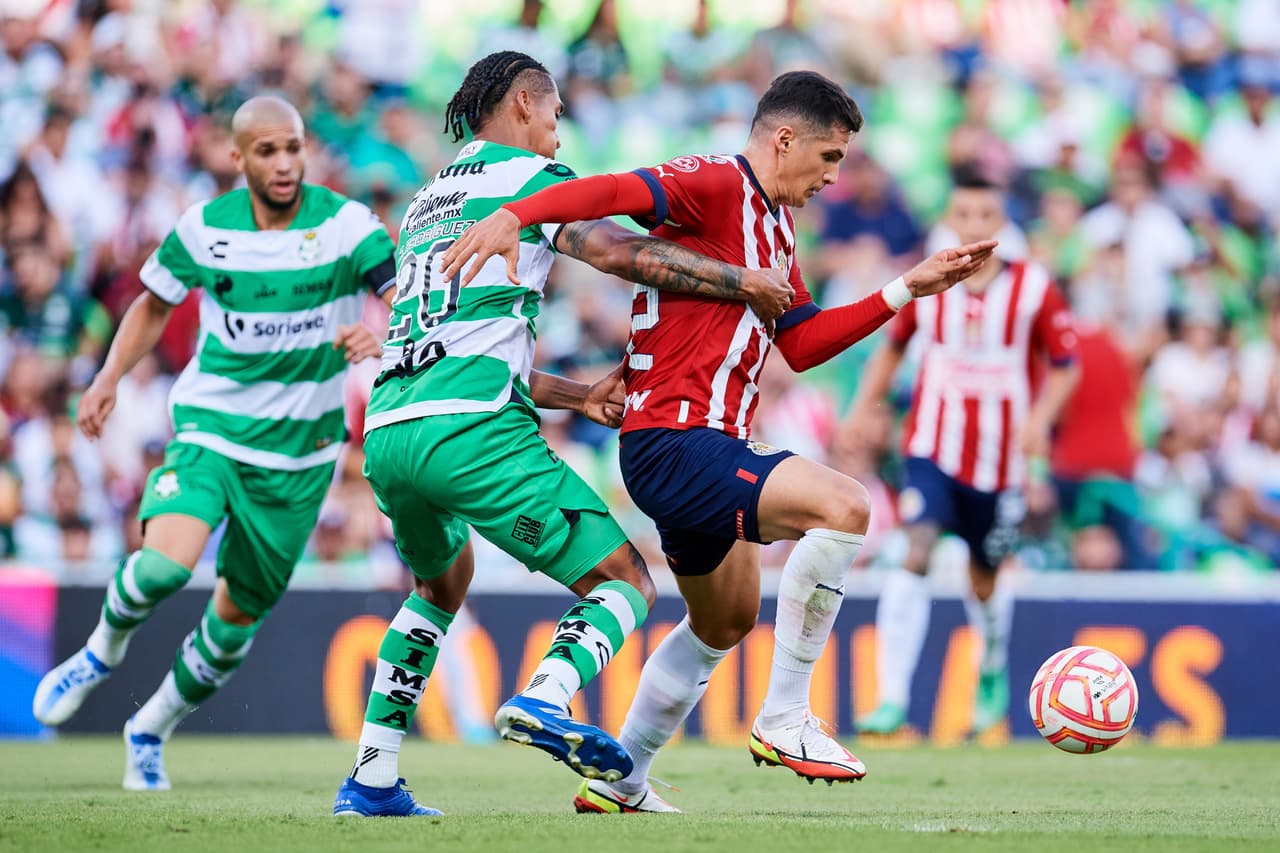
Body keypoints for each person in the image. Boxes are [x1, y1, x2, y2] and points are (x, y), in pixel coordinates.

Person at [442, 70, 996, 812]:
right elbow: (608, 193)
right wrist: (517, 213)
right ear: (785, 138)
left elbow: (799, 342)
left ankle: (620, 778)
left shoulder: (777, 226)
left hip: (697, 444)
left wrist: (906, 289)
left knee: (726, 618)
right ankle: (785, 717)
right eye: (829, 159)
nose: (833, 177)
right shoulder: (711, 181)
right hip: (677, 439)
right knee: (846, 506)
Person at [332, 51, 794, 818]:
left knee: (438, 586)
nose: (556, 137)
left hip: (391, 428)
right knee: (624, 581)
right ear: (522, 104)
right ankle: (546, 697)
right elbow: (615, 252)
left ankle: (372, 777)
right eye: (552, 118)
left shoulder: (426, 203)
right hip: (472, 431)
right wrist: (745, 281)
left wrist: (576, 395)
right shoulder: (532, 181)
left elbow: (458, 346)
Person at [32, 95, 394, 791]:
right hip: (213, 426)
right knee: (164, 567)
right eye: (268, 151)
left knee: (234, 624)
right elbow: (153, 303)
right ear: (238, 159)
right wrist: (109, 375)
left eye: (293, 147)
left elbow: (400, 287)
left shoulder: (347, 225)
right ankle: (99, 651)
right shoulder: (204, 229)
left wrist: (383, 328)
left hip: (302, 455)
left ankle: (152, 726)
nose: (285, 163)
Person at [843, 172, 1079, 737]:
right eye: (963, 215)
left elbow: (1067, 365)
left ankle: (991, 671)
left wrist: (1041, 420)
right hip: (932, 448)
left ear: (1001, 223)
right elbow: (892, 350)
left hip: (1001, 464)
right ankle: (892, 699)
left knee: (984, 578)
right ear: (950, 220)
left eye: (984, 216)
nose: (973, 225)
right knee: (914, 551)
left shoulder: (1034, 288)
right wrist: (860, 410)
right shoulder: (929, 284)